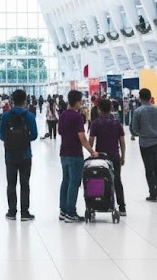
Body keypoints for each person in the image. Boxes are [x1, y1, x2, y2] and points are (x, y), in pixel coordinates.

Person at [0, 89, 38, 221]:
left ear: (12, 100)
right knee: (24, 183)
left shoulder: (5, 116)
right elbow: (34, 135)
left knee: (11, 183)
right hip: (25, 155)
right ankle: (25, 212)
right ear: (25, 100)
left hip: (9, 155)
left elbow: (1, 135)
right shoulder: (30, 116)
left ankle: (11, 212)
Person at [58, 90, 97, 221]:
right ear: (77, 102)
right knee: (74, 183)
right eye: (81, 101)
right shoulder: (77, 117)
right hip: (74, 154)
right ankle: (71, 212)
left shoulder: (63, 115)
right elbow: (82, 137)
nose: (81, 104)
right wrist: (92, 151)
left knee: (65, 181)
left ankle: (63, 210)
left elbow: (60, 132)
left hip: (63, 152)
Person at [88, 98, 127, 216]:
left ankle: (98, 204)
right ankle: (122, 207)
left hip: (101, 157)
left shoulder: (95, 123)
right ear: (111, 109)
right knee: (117, 180)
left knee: (100, 179)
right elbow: (122, 142)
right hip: (115, 155)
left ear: (99, 109)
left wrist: (91, 153)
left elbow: (91, 141)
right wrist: (123, 156)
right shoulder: (117, 123)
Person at [130, 88, 157, 202]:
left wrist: (139, 133)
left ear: (140, 98)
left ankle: (152, 193)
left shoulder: (138, 112)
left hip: (145, 143)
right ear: (150, 97)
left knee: (148, 168)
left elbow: (134, 129)